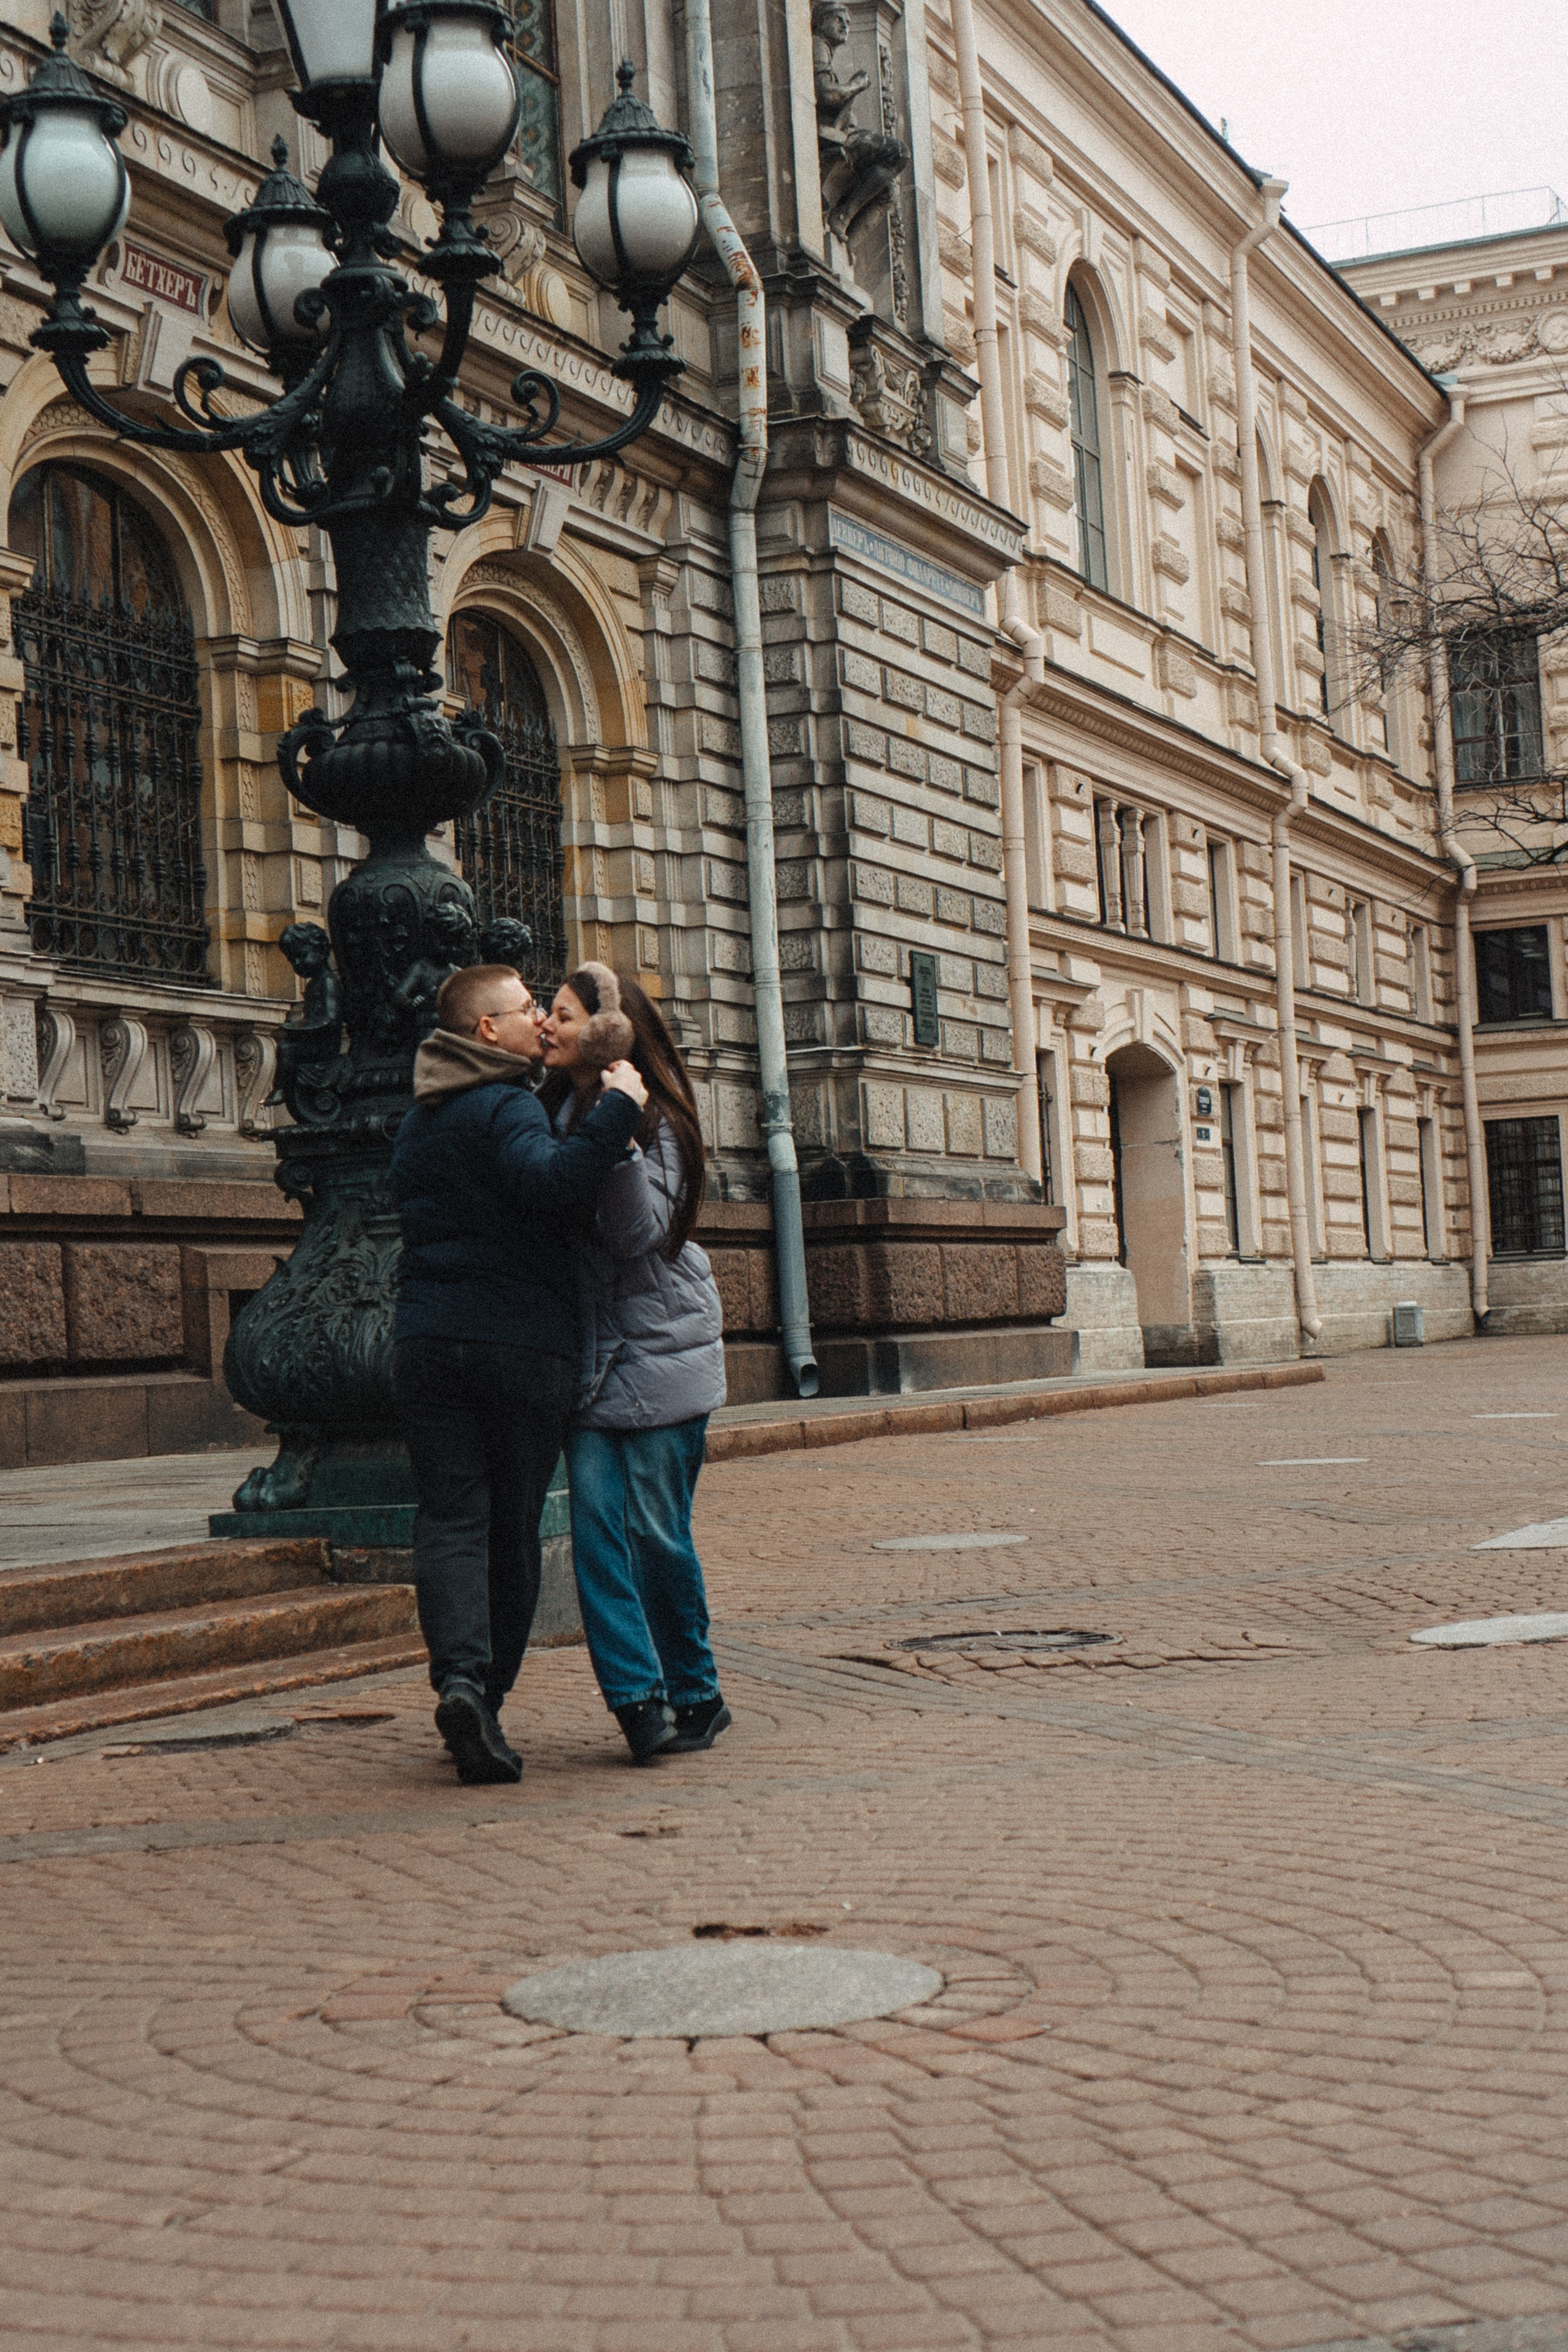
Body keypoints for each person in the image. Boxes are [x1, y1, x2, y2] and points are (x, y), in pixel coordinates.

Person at [388, 962, 649, 1786]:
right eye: (527, 1008)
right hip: (519, 1346)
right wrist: (619, 1111)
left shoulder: (418, 1123)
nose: (542, 1019)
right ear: (484, 1032)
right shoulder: (503, 1105)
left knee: (450, 1519)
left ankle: (459, 1680)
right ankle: (487, 1698)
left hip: (428, 1341)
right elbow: (554, 1184)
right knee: (512, 1527)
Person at [538, 963, 730, 1766]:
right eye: (544, 1012)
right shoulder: (546, 1108)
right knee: (596, 1537)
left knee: (656, 1534)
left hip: (663, 1351)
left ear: (610, 1032)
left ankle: (697, 1692)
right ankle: (636, 1703)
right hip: (590, 1358)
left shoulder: (655, 1122)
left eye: (563, 1013)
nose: (546, 1024)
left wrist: (616, 1133)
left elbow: (638, 1236)